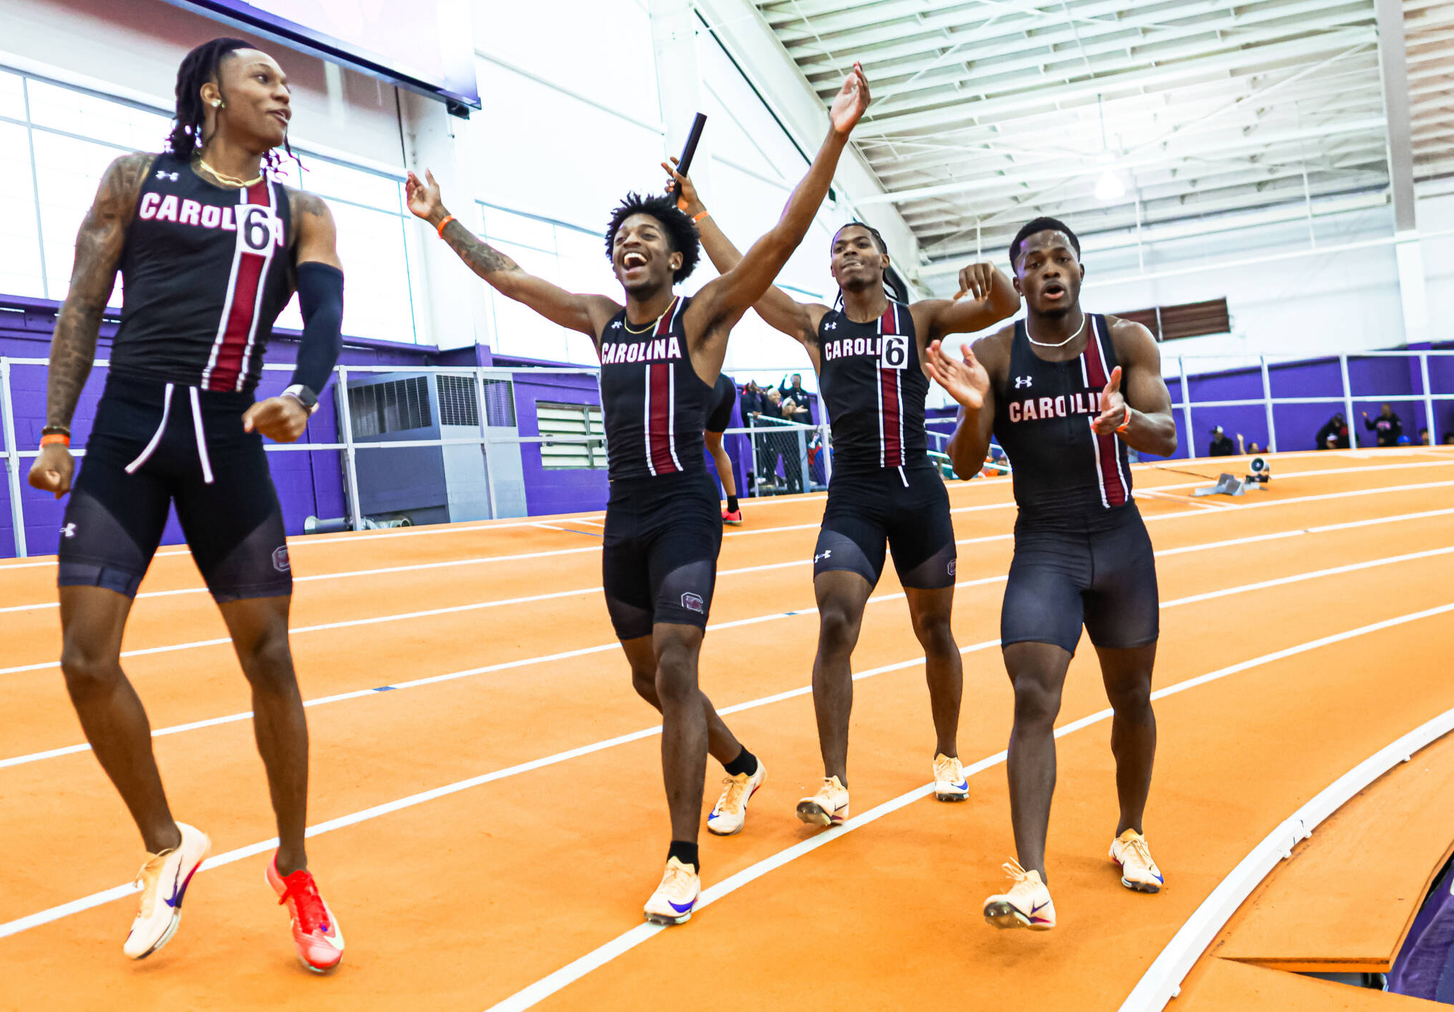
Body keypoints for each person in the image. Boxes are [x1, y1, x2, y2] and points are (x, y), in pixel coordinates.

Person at [405, 64, 871, 924]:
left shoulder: (703, 318)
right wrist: (441, 220)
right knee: (650, 680)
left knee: (681, 663)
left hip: (686, 510)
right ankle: (741, 763)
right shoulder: (598, 319)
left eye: (651, 236)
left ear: (675, 257)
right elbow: (508, 276)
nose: (633, 244)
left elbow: (779, 238)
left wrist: (833, 137)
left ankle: (683, 859)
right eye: (623, 237)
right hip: (623, 519)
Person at [26, 38, 346, 970]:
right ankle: (167, 844)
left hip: (226, 443)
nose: (283, 93)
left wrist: (307, 391)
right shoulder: (135, 178)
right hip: (128, 434)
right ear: (212, 92)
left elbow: (325, 314)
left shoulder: (301, 210)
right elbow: (82, 303)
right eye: (264, 79)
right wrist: (56, 431)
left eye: (287, 84)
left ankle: (293, 867)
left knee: (271, 655)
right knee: (86, 659)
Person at [666, 164, 1020, 831]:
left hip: (918, 494)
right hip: (853, 498)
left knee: (934, 629)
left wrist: (991, 279)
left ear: (884, 260)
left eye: (860, 244)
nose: (848, 253)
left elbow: (1002, 307)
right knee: (835, 621)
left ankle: (947, 753)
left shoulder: (920, 318)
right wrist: (701, 210)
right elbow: (748, 277)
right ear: (831, 270)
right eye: (838, 248)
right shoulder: (814, 324)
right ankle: (834, 781)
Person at [922, 215, 1177, 931]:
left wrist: (1126, 418)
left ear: (1081, 269)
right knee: (1034, 696)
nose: (1050, 269)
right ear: (1020, 279)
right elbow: (967, 464)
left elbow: (1167, 432)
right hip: (1045, 548)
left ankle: (1130, 831)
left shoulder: (1125, 342)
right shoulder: (994, 355)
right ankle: (1031, 878)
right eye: (1034, 262)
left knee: (1132, 698)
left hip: (1120, 543)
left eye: (1062, 256)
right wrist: (975, 413)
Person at [705, 373, 743, 524]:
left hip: (703, 382)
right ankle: (734, 509)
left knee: (683, 446)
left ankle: (693, 509)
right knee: (715, 445)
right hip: (724, 384)